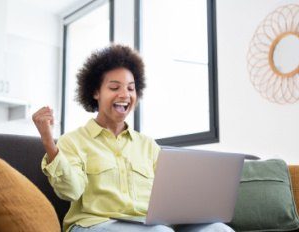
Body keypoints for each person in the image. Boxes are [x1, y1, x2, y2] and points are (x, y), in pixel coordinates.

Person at [32, 44, 234, 232]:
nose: (125, 95)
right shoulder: (73, 141)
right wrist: (49, 142)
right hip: (94, 224)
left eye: (130, 88)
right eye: (114, 87)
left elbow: (168, 199)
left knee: (218, 229)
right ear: (95, 92)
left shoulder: (148, 145)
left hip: (146, 225)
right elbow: (71, 191)